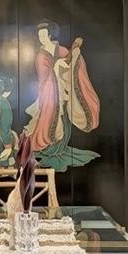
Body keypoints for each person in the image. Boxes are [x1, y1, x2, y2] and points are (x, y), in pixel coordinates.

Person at [23, 20, 100, 170]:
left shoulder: (61, 50)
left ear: (49, 35)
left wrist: (75, 55)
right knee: (51, 120)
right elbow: (44, 77)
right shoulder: (41, 56)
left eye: (44, 35)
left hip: (64, 92)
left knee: (65, 120)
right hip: (50, 95)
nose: (42, 38)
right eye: (39, 36)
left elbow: (70, 63)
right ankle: (49, 150)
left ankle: (61, 148)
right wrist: (57, 66)